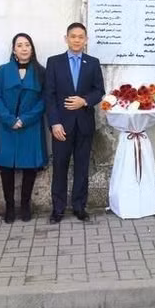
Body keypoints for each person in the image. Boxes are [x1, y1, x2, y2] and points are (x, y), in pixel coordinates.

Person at [44, 23, 105, 223]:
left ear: (86, 40)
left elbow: (99, 91)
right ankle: (58, 209)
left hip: (84, 125)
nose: (77, 40)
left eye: (81, 37)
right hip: (61, 126)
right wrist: (54, 123)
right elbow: (49, 95)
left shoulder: (93, 63)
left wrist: (84, 101)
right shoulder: (54, 62)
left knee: (82, 168)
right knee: (60, 167)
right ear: (66, 38)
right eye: (73, 36)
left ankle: (80, 207)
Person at [0, 33, 48, 223]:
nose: (24, 48)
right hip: (7, 127)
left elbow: (44, 100)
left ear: (32, 49)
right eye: (19, 45)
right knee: (6, 168)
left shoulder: (41, 72)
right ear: (14, 49)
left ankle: (25, 205)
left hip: (30, 127)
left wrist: (24, 119)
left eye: (27, 45)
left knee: (29, 168)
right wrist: (9, 119)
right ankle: (9, 207)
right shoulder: (3, 70)